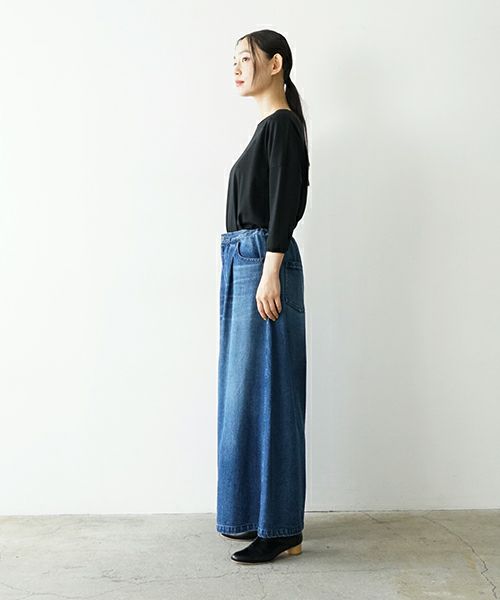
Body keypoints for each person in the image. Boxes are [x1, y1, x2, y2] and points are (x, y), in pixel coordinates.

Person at [217, 29, 310, 564]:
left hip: (262, 261)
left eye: (244, 58)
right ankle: (253, 514)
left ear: (275, 65)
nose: (236, 67)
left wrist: (270, 269)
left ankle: (280, 528)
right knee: (246, 395)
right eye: (232, 60)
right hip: (244, 261)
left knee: (273, 394)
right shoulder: (265, 130)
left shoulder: (282, 127)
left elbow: (286, 200)